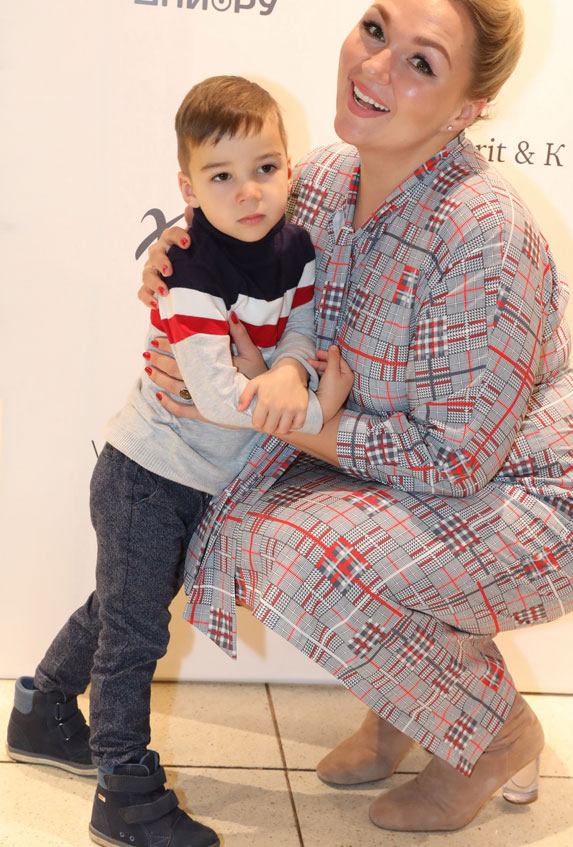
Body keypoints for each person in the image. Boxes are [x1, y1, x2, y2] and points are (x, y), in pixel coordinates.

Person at [140, 0, 573, 835]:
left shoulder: (482, 231)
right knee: (240, 511)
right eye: (375, 30)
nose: (375, 67)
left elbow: (454, 461)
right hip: (405, 471)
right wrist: (171, 263)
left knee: (290, 544)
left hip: (536, 500)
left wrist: (277, 414)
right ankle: (409, 708)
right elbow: (226, 244)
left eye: (421, 63)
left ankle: (493, 736)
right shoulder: (323, 178)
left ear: (468, 109)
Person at [6, 75, 353, 847]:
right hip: (147, 476)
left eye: (266, 168)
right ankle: (124, 791)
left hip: (200, 479)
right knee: (133, 637)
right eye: (221, 176)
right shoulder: (190, 268)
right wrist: (317, 408)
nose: (249, 192)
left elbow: (298, 331)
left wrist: (290, 370)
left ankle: (40, 708)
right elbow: (218, 397)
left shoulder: (296, 248)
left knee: (119, 606)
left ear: (289, 166)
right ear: (187, 189)